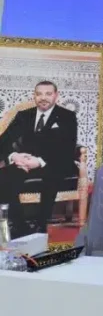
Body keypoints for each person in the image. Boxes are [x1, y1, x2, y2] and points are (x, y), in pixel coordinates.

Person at [0, 81, 78, 238]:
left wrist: (40, 161)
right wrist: (14, 156)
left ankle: (41, 224)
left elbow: (67, 148)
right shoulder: (24, 116)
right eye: (39, 94)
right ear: (34, 96)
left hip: (55, 162)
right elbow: (4, 141)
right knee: (3, 177)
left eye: (48, 94)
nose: (43, 98)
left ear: (56, 96)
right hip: (25, 162)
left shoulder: (67, 116)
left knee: (51, 174)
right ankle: (20, 226)